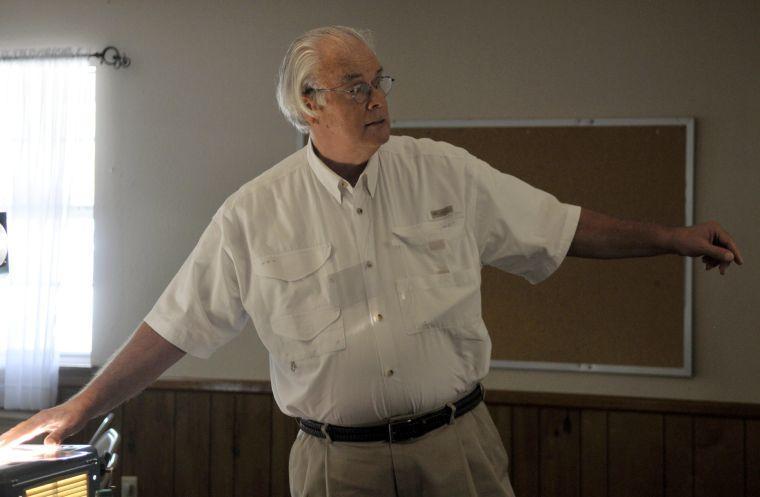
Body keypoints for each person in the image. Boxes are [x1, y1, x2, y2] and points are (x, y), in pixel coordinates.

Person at [0, 26, 743, 497]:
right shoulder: (254, 213)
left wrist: (673, 237)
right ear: (308, 104)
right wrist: (78, 409)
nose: (378, 97)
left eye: (380, 80)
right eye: (357, 86)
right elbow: (176, 325)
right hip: (335, 469)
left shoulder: (444, 171)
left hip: (461, 453)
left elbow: (563, 228)